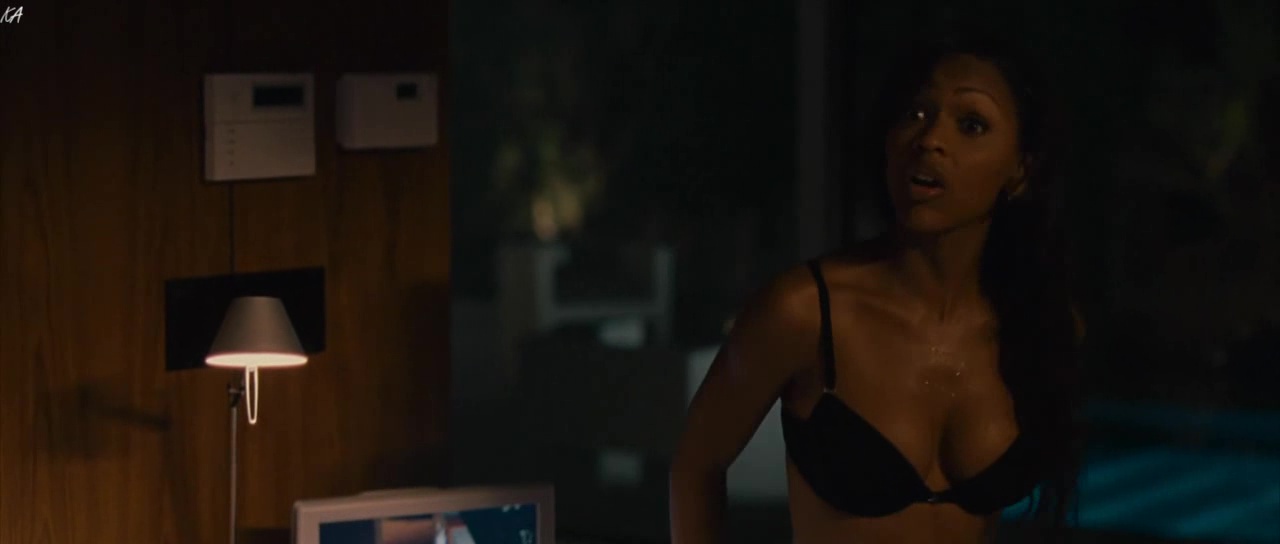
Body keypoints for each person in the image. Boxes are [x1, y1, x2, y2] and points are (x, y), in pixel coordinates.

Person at [669, 35, 1085, 544]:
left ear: (1020, 170)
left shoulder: (1037, 321)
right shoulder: (805, 311)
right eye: (915, 113)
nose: (930, 139)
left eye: (971, 124)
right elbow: (696, 466)